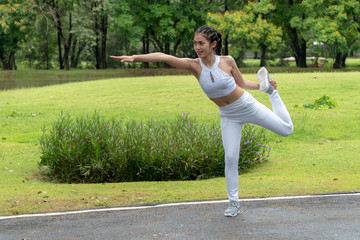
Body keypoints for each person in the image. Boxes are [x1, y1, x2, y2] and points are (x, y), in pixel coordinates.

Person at [110, 25, 293, 217]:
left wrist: (263, 87)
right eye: (195, 43)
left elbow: (241, 83)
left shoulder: (228, 61)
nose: (197, 47)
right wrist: (134, 58)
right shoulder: (194, 66)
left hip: (247, 105)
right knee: (230, 158)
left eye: (201, 43)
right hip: (228, 115)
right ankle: (233, 203)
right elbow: (164, 57)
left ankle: (273, 93)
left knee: (286, 130)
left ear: (213, 44)